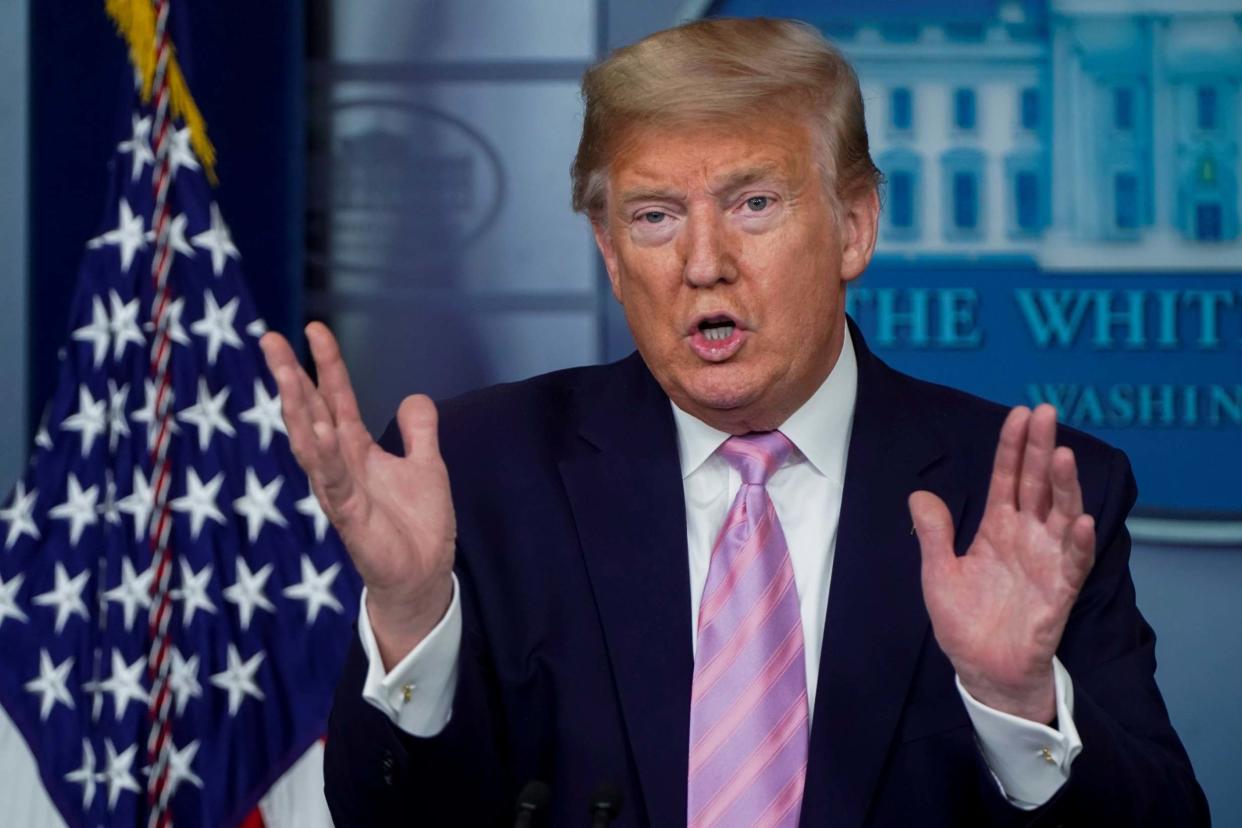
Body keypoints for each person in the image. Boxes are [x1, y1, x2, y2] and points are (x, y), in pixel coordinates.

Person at [260, 18, 1208, 828]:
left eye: (754, 204)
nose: (703, 262)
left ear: (854, 227)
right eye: (655, 216)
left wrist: (1017, 702)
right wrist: (413, 617)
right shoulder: (482, 473)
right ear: (608, 249)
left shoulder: (1021, 498)